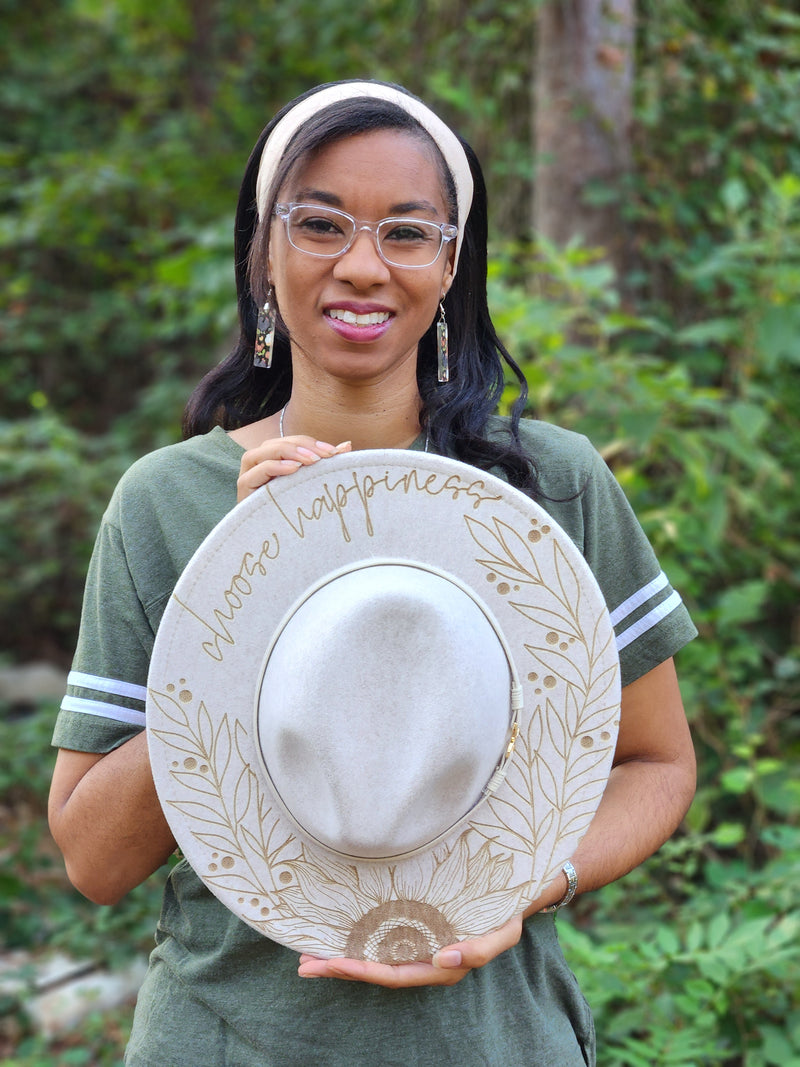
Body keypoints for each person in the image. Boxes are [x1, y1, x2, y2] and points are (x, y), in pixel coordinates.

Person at [48, 80, 697, 1066]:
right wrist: (239, 595)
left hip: (493, 1039)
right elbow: (95, 859)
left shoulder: (546, 488)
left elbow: (655, 762)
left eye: (405, 232)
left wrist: (522, 885)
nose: (360, 265)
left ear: (449, 265)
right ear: (262, 252)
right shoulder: (167, 503)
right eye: (318, 223)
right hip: (225, 1041)